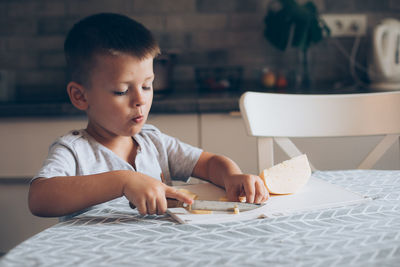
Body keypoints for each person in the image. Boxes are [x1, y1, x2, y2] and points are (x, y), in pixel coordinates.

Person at [28, 13, 269, 220]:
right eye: (122, 90)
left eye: (147, 86)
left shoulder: (154, 142)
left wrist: (232, 175)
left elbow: (208, 163)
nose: (140, 100)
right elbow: (39, 198)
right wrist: (123, 181)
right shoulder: (74, 151)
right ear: (80, 96)